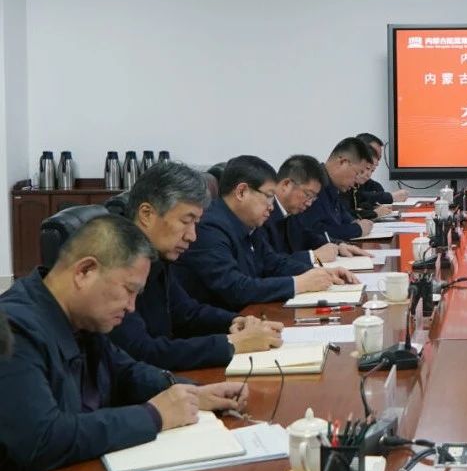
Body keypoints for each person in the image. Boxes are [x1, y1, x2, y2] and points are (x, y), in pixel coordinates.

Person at [0, 215, 248, 471]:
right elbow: (41, 440)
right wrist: (154, 415)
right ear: (85, 271)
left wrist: (190, 393)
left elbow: (125, 371)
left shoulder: (82, 316)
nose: (131, 307)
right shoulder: (14, 327)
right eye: (129, 290)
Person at [110, 163, 284, 370]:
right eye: (186, 221)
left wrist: (238, 321)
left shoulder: (156, 257)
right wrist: (231, 344)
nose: (192, 236)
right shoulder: (113, 261)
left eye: (195, 223)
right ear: (147, 214)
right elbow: (142, 351)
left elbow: (187, 313)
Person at [174, 155, 355, 311]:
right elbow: (235, 288)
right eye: (268, 196)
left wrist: (321, 273)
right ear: (242, 192)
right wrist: (298, 284)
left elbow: (273, 263)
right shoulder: (209, 227)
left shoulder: (246, 224)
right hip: (220, 325)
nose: (271, 206)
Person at [265, 154, 367, 262]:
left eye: (313, 198)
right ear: (286, 184)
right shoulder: (263, 215)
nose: (309, 203)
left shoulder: (291, 212)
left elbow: (307, 237)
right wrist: (313, 257)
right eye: (308, 195)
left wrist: (338, 246)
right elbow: (268, 263)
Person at [294, 137, 376, 242]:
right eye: (357, 173)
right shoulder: (313, 185)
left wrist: (355, 223)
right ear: (343, 162)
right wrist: (357, 229)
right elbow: (314, 233)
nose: (356, 180)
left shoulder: (334, 187)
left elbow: (345, 218)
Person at [354, 132, 409, 205]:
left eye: (378, 157)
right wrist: (390, 196)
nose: (377, 162)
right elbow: (356, 197)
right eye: (372, 153)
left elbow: (377, 190)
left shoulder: (369, 183)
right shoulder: (345, 182)